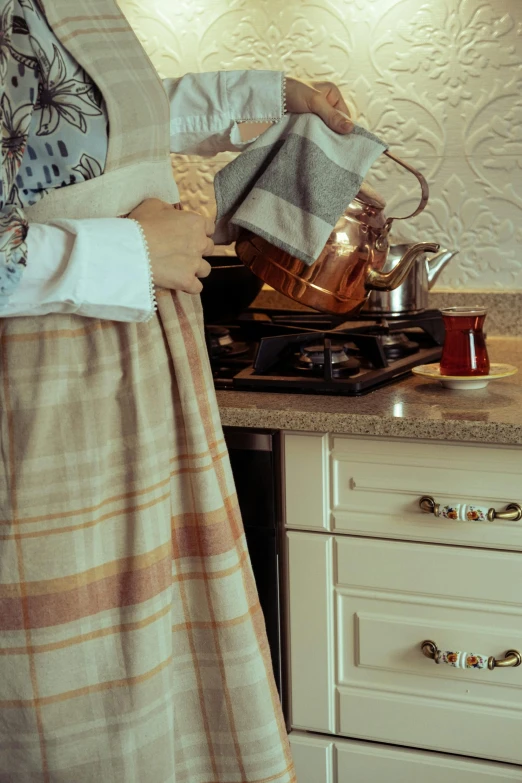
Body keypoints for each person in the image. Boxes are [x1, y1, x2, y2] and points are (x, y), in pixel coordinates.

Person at [0, 0, 353, 780]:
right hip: (40, 405)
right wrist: (131, 248)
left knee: (148, 697)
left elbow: (98, 126)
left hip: (135, 390)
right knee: (72, 715)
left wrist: (273, 97)